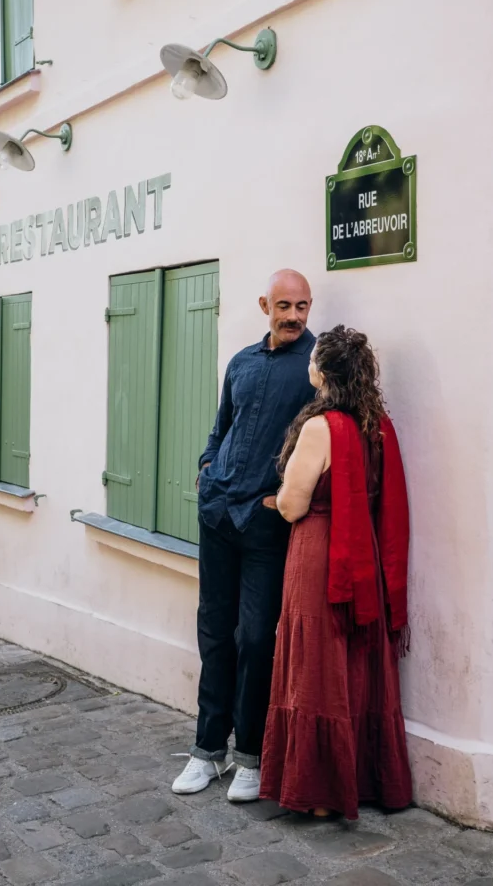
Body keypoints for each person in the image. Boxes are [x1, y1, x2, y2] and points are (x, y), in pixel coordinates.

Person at [172, 270, 316, 802]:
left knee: (256, 638)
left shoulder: (315, 366)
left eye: (302, 306)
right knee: (214, 631)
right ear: (264, 306)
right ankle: (206, 751)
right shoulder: (241, 362)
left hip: (265, 523)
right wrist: (207, 465)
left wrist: (280, 500)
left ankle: (249, 756)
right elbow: (221, 426)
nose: (294, 316)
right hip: (217, 515)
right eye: (284, 306)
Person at [260, 325, 412, 819]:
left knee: (316, 662)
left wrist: (278, 498)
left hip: (320, 551)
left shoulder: (319, 427)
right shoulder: (377, 423)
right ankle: (365, 782)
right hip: (363, 549)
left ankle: (320, 794)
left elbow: (292, 505)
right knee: (353, 660)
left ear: (321, 372)